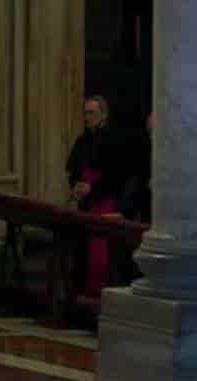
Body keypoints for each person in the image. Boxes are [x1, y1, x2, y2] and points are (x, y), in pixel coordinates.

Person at [64, 96, 131, 311]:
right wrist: (76, 185)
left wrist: (92, 188)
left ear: (104, 114)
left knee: (101, 251)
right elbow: (73, 168)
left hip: (105, 201)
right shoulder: (82, 140)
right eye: (85, 112)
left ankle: (101, 297)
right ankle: (82, 296)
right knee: (83, 249)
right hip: (86, 203)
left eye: (92, 112)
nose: (87, 117)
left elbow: (118, 175)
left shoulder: (114, 140)